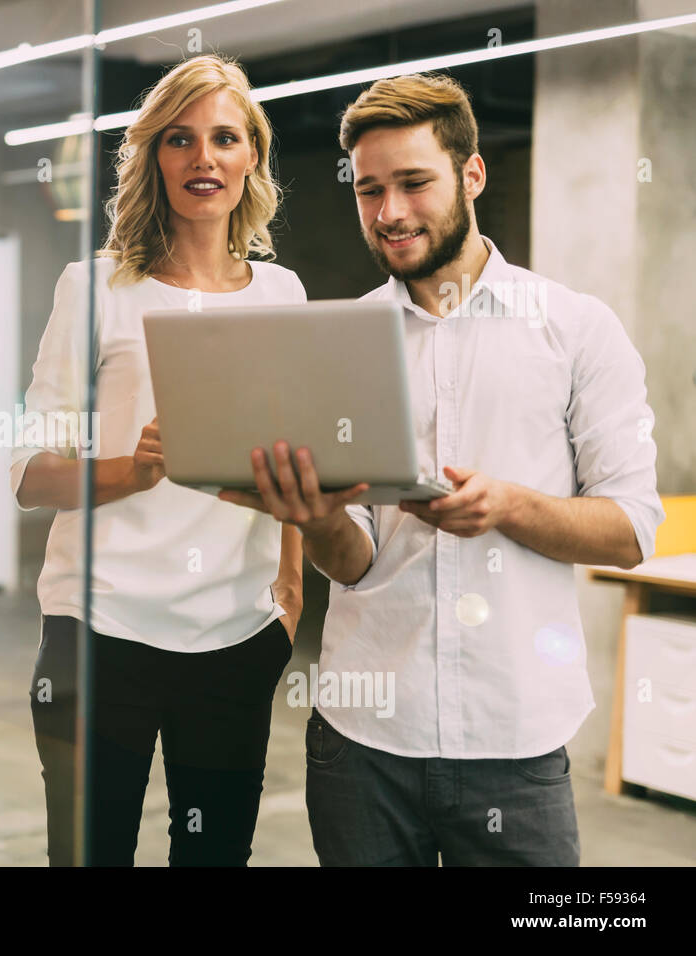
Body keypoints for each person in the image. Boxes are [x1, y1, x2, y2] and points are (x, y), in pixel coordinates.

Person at [220, 72, 664, 866]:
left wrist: (509, 507)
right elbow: (353, 562)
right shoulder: (343, 342)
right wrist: (313, 513)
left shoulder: (577, 329)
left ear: (472, 174)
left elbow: (632, 532)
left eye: (414, 183)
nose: (390, 213)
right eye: (369, 190)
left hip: (516, 747)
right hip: (362, 746)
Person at [13, 54, 306, 866]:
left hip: (235, 636)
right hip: (98, 631)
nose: (202, 158)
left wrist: (287, 601)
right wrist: (128, 472)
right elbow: (29, 473)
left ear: (251, 158)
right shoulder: (97, 287)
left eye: (224, 138)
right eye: (180, 140)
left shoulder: (283, 296)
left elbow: (294, 461)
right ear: (154, 157)